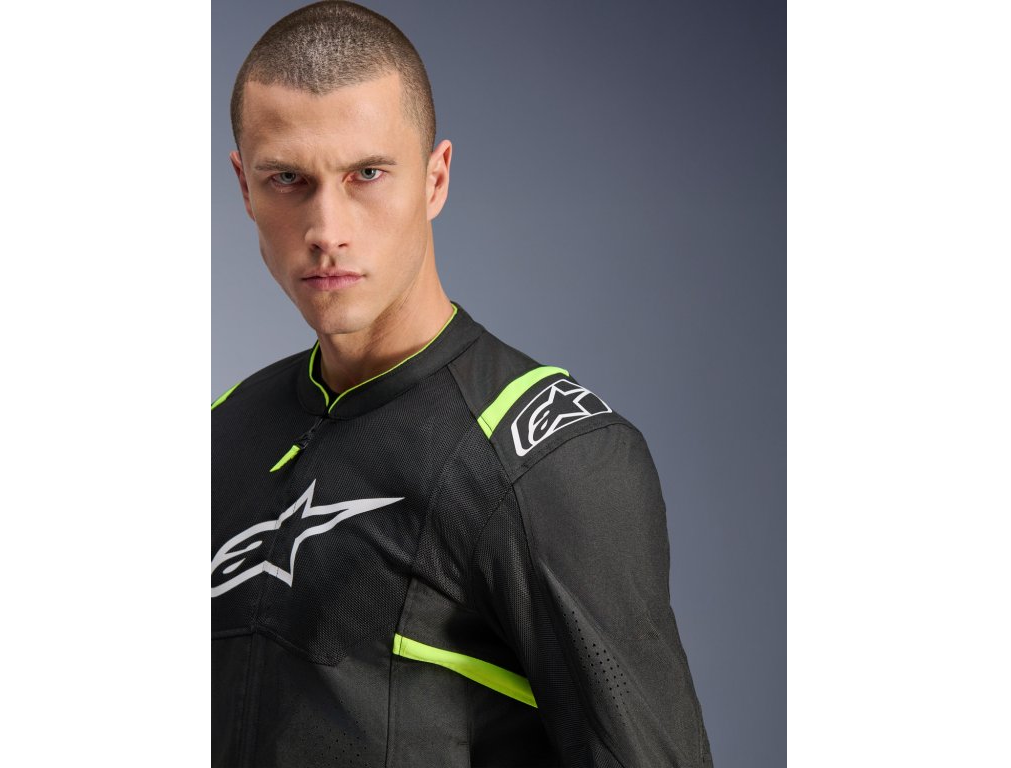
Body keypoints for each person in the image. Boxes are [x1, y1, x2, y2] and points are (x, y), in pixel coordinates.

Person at [211, 2, 713, 765]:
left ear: (435, 178)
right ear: (245, 187)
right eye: (288, 179)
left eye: (367, 174)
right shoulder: (222, 431)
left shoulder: (547, 463)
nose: (327, 230)